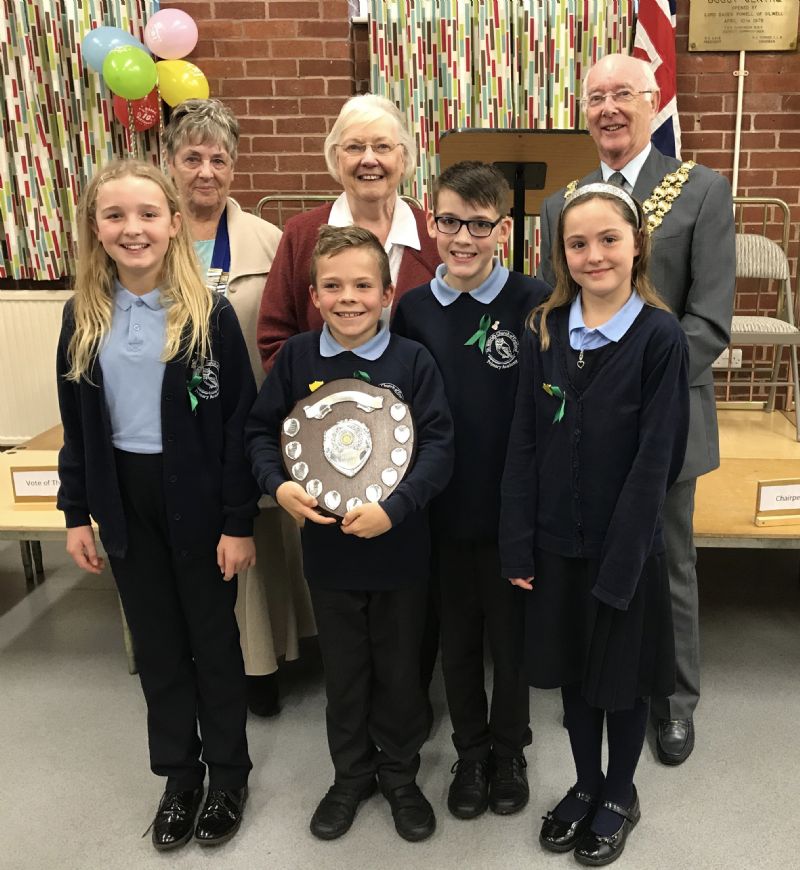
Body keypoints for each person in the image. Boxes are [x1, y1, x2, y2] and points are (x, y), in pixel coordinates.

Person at [538, 53, 735, 765]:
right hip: (583, 427)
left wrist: (633, 386)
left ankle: (675, 702)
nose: (610, 108)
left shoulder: (703, 191)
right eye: (596, 97)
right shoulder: (562, 204)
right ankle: (603, 680)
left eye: (624, 93)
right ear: (583, 111)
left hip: (665, 420)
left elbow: (709, 322)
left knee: (666, 563)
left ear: (654, 102)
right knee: (591, 553)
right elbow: (552, 316)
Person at [56, 160, 256, 851]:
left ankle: (228, 774)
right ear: (96, 228)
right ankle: (179, 776)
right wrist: (76, 510)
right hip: (125, 501)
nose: (132, 228)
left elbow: (237, 426)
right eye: (115, 216)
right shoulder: (83, 316)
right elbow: (78, 427)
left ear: (175, 224)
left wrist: (239, 522)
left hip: (198, 504)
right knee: (160, 647)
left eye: (147, 214)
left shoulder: (210, 315)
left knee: (212, 643)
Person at [246, 225, 453, 843]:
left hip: (400, 552)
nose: (349, 297)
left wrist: (400, 506)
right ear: (312, 294)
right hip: (330, 559)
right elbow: (261, 434)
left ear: (388, 294)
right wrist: (277, 485)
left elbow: (440, 446)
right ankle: (349, 776)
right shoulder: (298, 361)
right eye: (333, 285)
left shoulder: (412, 362)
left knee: (398, 670)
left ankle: (400, 774)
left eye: (364, 284)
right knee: (345, 672)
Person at [501, 183, 689, 864]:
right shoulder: (544, 329)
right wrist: (517, 541)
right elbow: (524, 441)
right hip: (555, 547)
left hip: (623, 555)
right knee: (575, 677)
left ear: (636, 244)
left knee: (622, 679)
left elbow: (655, 463)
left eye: (609, 238)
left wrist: (621, 563)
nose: (593, 254)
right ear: (562, 254)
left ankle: (618, 792)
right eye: (577, 243)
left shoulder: (659, 338)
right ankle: (583, 783)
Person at [393, 161, 549, 820]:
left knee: (510, 646)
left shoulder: (533, 301)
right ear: (432, 220)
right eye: (450, 221)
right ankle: (471, 749)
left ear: (503, 229)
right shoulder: (414, 309)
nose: (462, 237)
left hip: (513, 515)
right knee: (456, 642)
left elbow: (547, 408)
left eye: (479, 225)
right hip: (441, 512)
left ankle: (510, 749)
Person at [164, 98, 315, 718]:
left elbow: (293, 331)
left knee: (256, 544)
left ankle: (261, 666)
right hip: (172, 428)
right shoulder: (148, 230)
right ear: (169, 162)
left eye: (218, 159)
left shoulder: (268, 240)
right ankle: (188, 657)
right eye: (192, 157)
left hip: (248, 418)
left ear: (234, 167)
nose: (205, 171)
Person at [256, 93, 441, 371]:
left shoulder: (433, 238)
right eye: (354, 147)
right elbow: (274, 337)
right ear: (336, 158)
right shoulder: (301, 235)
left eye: (382, 147)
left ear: (403, 158)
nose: (369, 159)